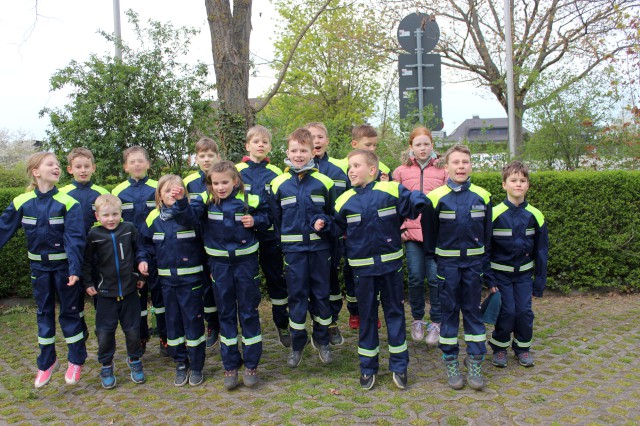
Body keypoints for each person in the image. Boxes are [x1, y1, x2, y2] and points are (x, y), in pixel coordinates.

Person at [334, 149, 427, 390]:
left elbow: (411, 204)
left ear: (372, 170)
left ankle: (399, 366)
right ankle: (367, 368)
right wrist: (320, 225)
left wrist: (418, 200)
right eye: (349, 167)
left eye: (356, 165)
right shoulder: (344, 200)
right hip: (362, 271)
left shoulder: (391, 190)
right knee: (367, 318)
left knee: (394, 313)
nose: (351, 170)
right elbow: (335, 229)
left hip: (390, 268)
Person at [0, 152, 87, 388]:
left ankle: (76, 360)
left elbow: (75, 240)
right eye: (50, 164)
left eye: (58, 165)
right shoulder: (21, 202)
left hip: (64, 269)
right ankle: (46, 363)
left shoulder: (70, 203)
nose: (56, 167)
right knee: (44, 314)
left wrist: (74, 269)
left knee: (70, 313)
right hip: (39, 269)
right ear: (36, 172)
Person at [191, 161, 270, 390]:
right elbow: (188, 217)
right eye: (215, 183)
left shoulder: (250, 199)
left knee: (248, 312)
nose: (220, 187)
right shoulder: (205, 201)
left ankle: (252, 365)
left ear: (235, 181)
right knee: (225, 313)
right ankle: (230, 366)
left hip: (246, 265)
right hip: (219, 266)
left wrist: (256, 220)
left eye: (224, 182)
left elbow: (269, 217)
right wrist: (179, 204)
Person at [421, 144, 492, 391]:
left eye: (465, 162)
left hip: (473, 267)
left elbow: (488, 236)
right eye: (456, 162)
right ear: (446, 166)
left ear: (471, 165)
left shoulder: (483, 196)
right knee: (449, 313)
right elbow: (429, 236)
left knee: (473, 313)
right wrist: (438, 261)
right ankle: (450, 362)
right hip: (447, 267)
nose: (461, 166)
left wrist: (484, 266)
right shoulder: (435, 198)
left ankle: (475, 361)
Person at [270, 128, 336, 368]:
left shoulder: (325, 183)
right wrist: (285, 244)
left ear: (312, 152)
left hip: (319, 251)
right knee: (297, 297)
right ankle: (298, 345)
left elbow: (333, 216)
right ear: (287, 152)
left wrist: (324, 224)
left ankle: (323, 341)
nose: (299, 155)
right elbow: (276, 220)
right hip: (294, 252)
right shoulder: (278, 184)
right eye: (294, 150)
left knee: (321, 296)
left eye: (304, 150)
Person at [139, 175, 206, 387]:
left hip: (191, 281)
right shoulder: (152, 218)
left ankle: (196, 366)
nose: (172, 195)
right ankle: (180, 363)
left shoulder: (188, 213)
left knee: (193, 323)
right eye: (167, 191)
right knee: (173, 324)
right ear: (159, 195)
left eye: (176, 191)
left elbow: (187, 217)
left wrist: (182, 203)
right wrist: (142, 260)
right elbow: (144, 244)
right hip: (167, 282)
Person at [487, 160, 549, 369]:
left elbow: (541, 251)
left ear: (528, 185)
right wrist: (488, 279)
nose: (518, 184)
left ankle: (522, 349)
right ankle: (499, 349)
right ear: (504, 184)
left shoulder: (535, 215)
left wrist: (539, 283)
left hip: (524, 276)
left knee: (524, 312)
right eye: (513, 180)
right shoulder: (493, 214)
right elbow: (485, 250)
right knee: (507, 311)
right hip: (500, 276)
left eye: (523, 180)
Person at [82, 194, 145, 389]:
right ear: (97, 216)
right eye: (106, 215)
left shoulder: (129, 230)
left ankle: (134, 360)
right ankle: (106, 365)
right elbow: (87, 263)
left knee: (134, 331)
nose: (111, 219)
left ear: (121, 213)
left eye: (115, 214)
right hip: (105, 295)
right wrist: (88, 282)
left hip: (129, 292)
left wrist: (141, 276)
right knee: (104, 333)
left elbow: (140, 252)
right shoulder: (93, 236)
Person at [236, 126, 290, 347]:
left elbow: (279, 206)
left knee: (276, 279)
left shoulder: (277, 172)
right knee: (248, 282)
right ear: (247, 146)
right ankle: (250, 326)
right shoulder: (235, 170)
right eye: (256, 141)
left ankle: (282, 324)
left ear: (269, 146)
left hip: (270, 235)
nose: (261, 145)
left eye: (265, 142)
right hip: (243, 236)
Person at [392, 127, 447, 346]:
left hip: (436, 237)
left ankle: (436, 322)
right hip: (412, 235)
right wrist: (401, 228)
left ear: (432, 144)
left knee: (435, 279)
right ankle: (417, 319)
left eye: (426, 144)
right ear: (411, 147)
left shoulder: (444, 171)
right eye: (418, 145)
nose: (423, 148)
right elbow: (394, 203)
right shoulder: (401, 172)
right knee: (415, 278)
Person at [112, 146, 167, 356]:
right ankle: (141, 338)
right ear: (126, 166)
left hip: (158, 250)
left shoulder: (158, 187)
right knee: (138, 299)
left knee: (161, 297)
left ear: (148, 164)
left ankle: (165, 337)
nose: (136, 165)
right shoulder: (117, 192)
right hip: (131, 254)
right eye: (132, 162)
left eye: (140, 161)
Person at [304, 122, 350, 345]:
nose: (316, 141)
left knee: (332, 282)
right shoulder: (296, 173)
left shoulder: (339, 173)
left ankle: (332, 321)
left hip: (332, 239)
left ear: (327, 141)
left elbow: (349, 203)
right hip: (306, 242)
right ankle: (317, 323)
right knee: (312, 284)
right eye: (311, 137)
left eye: (320, 137)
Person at [59, 147, 109, 342]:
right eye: (78, 166)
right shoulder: (62, 194)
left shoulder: (102, 193)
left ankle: (102, 330)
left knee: (100, 293)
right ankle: (79, 331)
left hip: (98, 255)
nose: (83, 170)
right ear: (70, 169)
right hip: (73, 255)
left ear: (93, 168)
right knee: (75, 296)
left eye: (86, 166)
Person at [184, 137, 221, 348]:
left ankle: (226, 322)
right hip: (196, 241)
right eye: (202, 156)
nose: (206, 159)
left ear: (218, 157)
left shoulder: (226, 177)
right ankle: (212, 325)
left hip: (219, 239)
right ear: (196, 158)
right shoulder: (188, 182)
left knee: (220, 283)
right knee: (205, 285)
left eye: (210, 155)